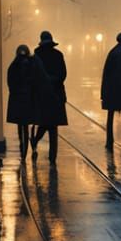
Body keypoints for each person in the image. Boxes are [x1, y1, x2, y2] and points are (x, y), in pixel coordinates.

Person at [31, 30, 68, 164]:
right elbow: (63, 74)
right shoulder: (58, 55)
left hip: (42, 95)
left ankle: (35, 140)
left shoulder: (37, 56)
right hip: (56, 94)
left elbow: (34, 76)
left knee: (45, 122)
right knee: (53, 125)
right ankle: (52, 157)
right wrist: (54, 81)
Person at [7, 44, 47, 161]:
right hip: (29, 99)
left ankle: (23, 147)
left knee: (21, 125)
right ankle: (30, 146)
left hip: (19, 100)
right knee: (29, 124)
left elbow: (10, 83)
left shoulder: (14, 65)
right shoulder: (31, 64)